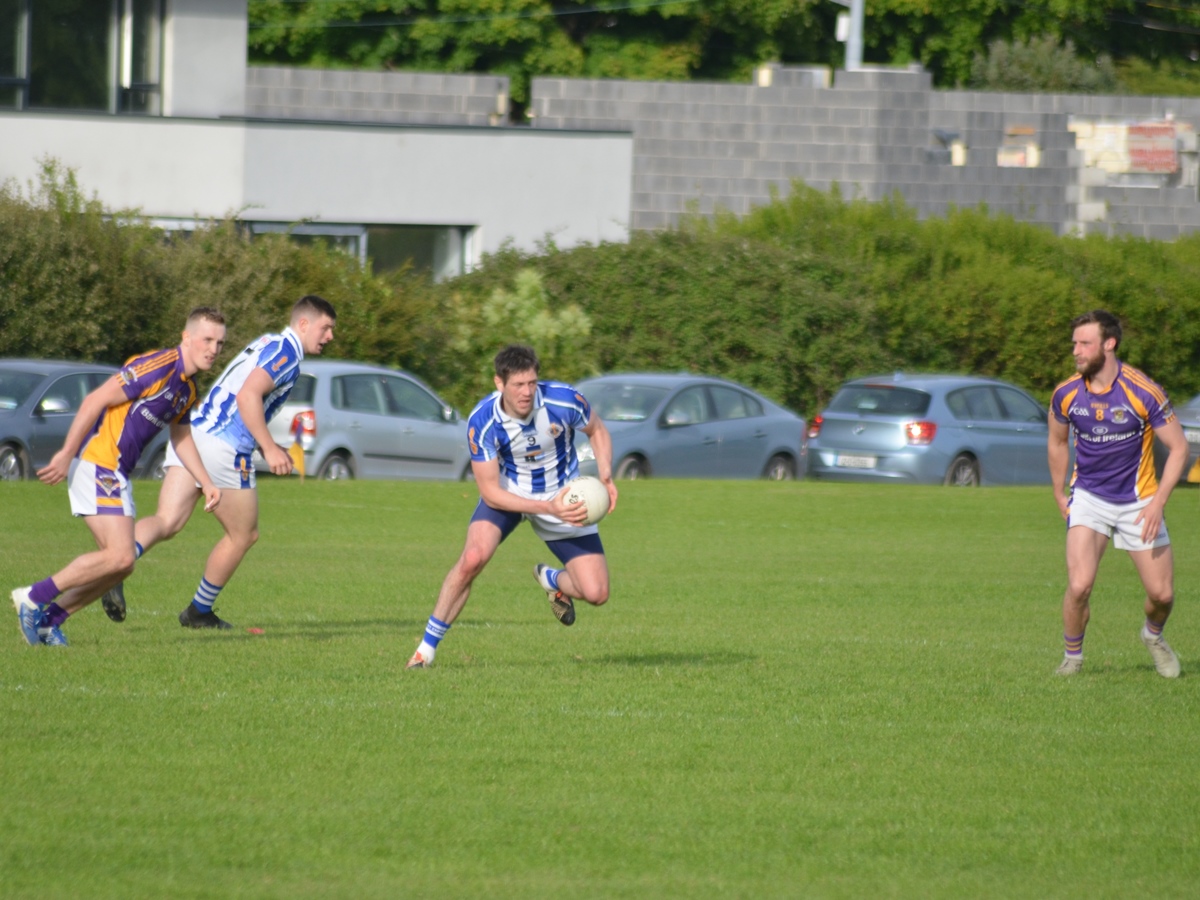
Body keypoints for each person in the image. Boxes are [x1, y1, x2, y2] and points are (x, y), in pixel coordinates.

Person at [101, 294, 337, 630]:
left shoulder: (268, 341)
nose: (329, 336)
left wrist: (271, 443)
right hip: (224, 448)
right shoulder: (287, 354)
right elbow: (248, 395)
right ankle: (199, 610)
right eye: (325, 328)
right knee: (244, 535)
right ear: (304, 324)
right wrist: (269, 448)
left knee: (167, 521)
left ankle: (115, 564)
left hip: (194, 434)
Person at [11, 307, 227, 646]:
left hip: (116, 472)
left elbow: (181, 437)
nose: (213, 349)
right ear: (187, 337)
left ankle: (49, 622)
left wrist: (207, 481)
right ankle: (34, 597)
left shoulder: (188, 389)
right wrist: (66, 453)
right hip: (97, 463)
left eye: (220, 343)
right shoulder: (157, 366)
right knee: (122, 556)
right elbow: (96, 399)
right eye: (207, 339)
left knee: (121, 565)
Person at [407, 344, 617, 669]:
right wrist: (545, 507)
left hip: (565, 498)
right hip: (509, 495)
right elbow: (490, 492)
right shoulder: (483, 421)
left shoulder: (563, 400)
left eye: (532, 383)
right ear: (499, 383)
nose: (527, 392)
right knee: (472, 558)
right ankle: (426, 650)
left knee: (597, 593)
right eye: (518, 385)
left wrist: (605, 476)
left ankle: (552, 580)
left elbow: (598, 431)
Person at [1048, 309, 1189, 678]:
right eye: (1074, 343)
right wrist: (1059, 492)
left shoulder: (1142, 390)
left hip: (1140, 502)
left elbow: (1178, 449)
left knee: (1162, 596)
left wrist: (1159, 502)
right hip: (1089, 497)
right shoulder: (1066, 393)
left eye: (1084, 343)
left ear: (1108, 344)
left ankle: (1153, 635)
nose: (1076, 351)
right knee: (1079, 585)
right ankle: (1072, 659)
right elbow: (1057, 442)